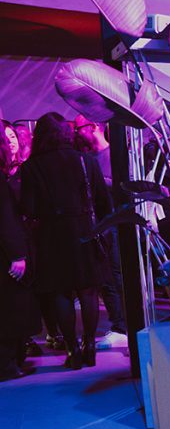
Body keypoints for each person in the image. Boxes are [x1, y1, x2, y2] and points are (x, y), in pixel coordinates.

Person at [19, 113, 113, 369]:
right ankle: (90, 345)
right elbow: (103, 201)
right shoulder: (85, 161)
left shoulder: (31, 167)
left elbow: (29, 208)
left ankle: (72, 349)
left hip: (51, 235)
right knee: (88, 291)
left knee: (61, 293)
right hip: (85, 230)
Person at [73, 115, 127, 350]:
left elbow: (124, 186)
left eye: (79, 128)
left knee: (116, 275)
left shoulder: (114, 154)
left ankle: (122, 327)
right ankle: (118, 324)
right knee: (106, 278)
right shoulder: (86, 158)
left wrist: (96, 180)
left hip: (114, 224)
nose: (76, 132)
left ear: (93, 127)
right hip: (97, 225)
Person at [0, 133, 35, 381]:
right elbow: (6, 220)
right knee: (11, 309)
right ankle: (7, 365)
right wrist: (17, 254)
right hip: (5, 253)